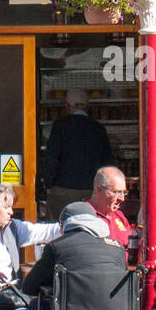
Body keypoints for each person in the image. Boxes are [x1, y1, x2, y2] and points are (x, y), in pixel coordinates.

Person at [43, 89, 115, 220]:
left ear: (68, 106)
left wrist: (49, 185)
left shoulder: (60, 126)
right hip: (91, 191)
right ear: (87, 107)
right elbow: (108, 163)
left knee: (57, 229)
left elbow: (51, 159)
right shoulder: (98, 128)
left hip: (62, 190)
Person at [87, 166, 132, 246]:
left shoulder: (119, 216)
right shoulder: (84, 215)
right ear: (99, 189)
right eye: (116, 192)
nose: (122, 199)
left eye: (124, 192)